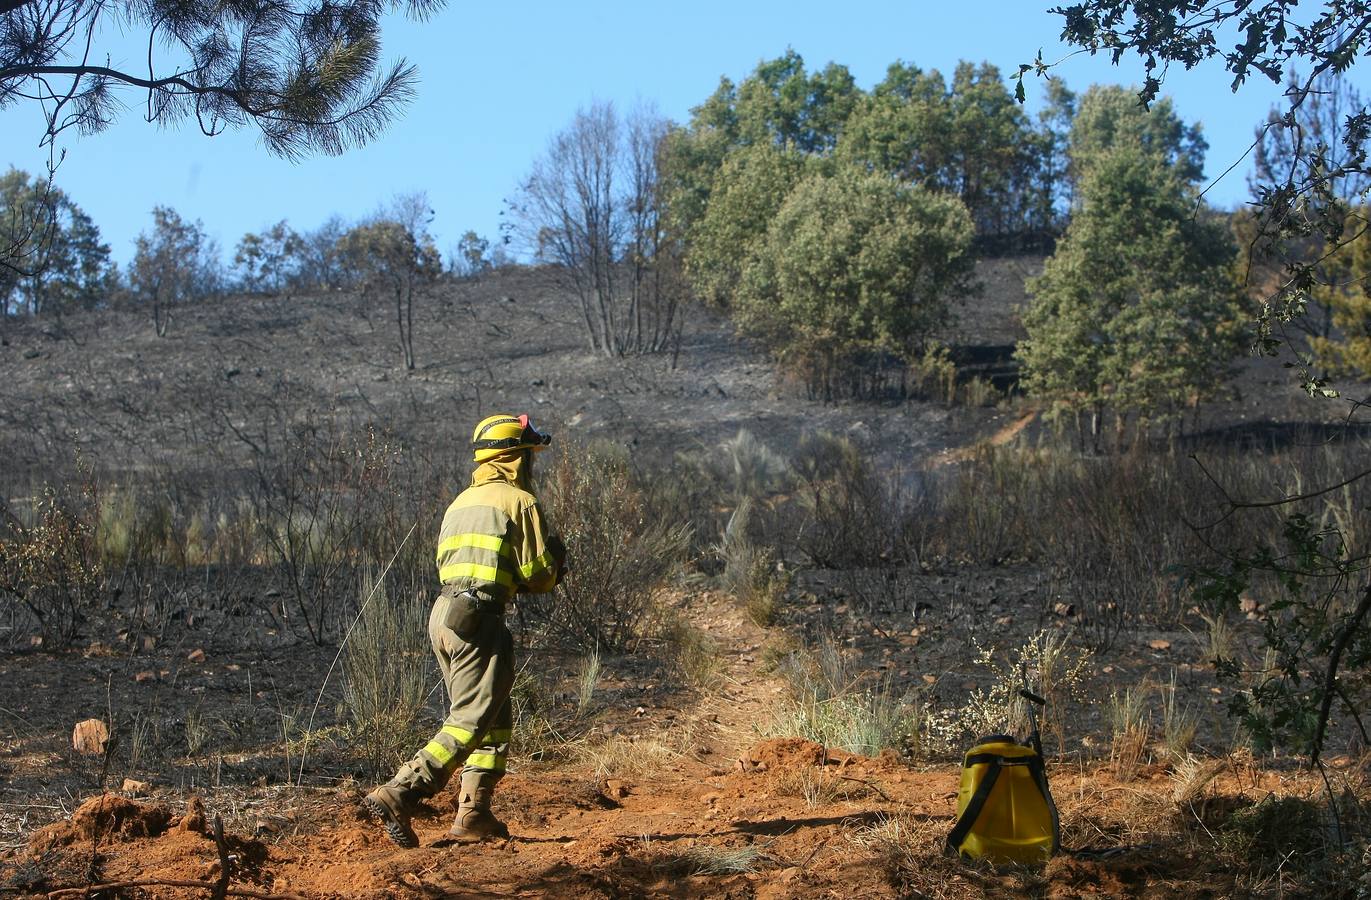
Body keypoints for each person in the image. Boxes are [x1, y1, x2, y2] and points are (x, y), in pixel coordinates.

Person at [364, 413, 566, 847]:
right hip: (479, 619)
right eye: (530, 455)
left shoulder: (460, 502)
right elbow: (540, 574)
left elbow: (449, 566)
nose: (532, 465)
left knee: (493, 718)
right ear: (514, 457)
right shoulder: (519, 501)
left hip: (444, 616)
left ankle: (475, 814)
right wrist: (556, 562)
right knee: (470, 719)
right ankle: (401, 792)